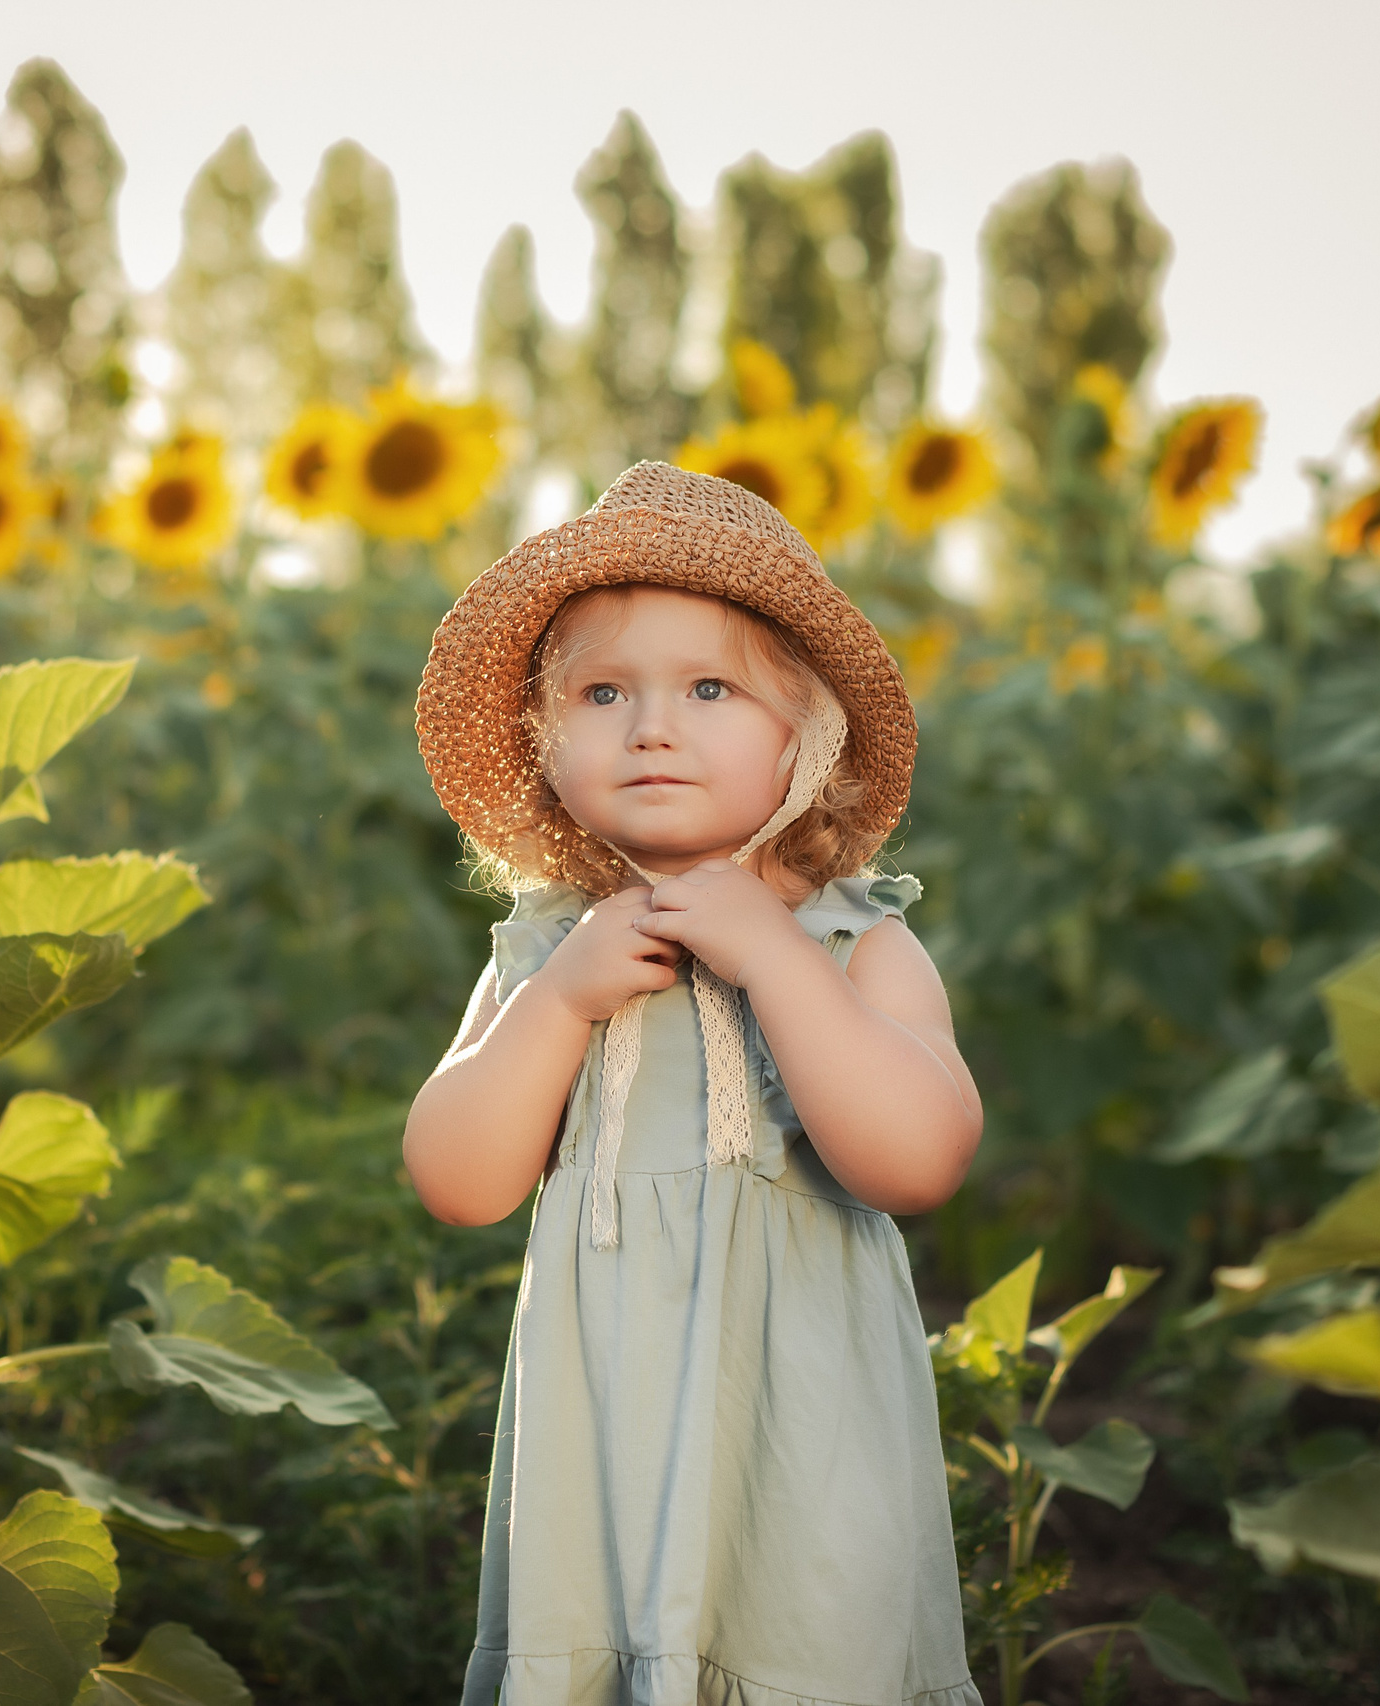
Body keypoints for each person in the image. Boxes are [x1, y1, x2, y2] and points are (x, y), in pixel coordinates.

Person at [406, 462, 985, 1706]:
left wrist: (771, 954)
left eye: (708, 688)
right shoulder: (542, 948)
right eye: (601, 691)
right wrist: (559, 999)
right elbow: (459, 1180)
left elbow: (917, 1158)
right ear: (545, 741)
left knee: (807, 1644)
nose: (649, 726)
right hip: (603, 1419)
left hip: (796, 1421)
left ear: (806, 734)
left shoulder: (852, 941)